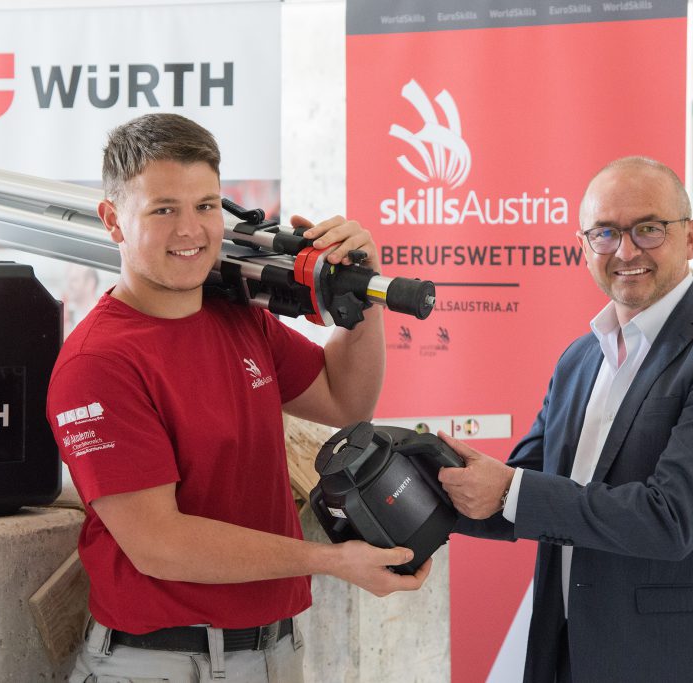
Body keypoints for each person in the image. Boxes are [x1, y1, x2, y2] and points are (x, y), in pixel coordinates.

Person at [47, 113, 430, 683]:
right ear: (113, 220)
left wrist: (361, 294)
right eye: (163, 209)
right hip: (160, 665)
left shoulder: (238, 319)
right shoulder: (98, 364)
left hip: (273, 654)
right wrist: (332, 562)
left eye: (205, 206)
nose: (191, 230)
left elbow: (344, 401)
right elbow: (160, 544)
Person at [438, 156, 693, 683]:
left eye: (648, 229)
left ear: (691, 237)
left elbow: (671, 519)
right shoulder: (580, 359)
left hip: (682, 662)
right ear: (584, 247)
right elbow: (523, 490)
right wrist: (410, 488)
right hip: (571, 651)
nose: (625, 251)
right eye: (605, 233)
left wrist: (510, 489)